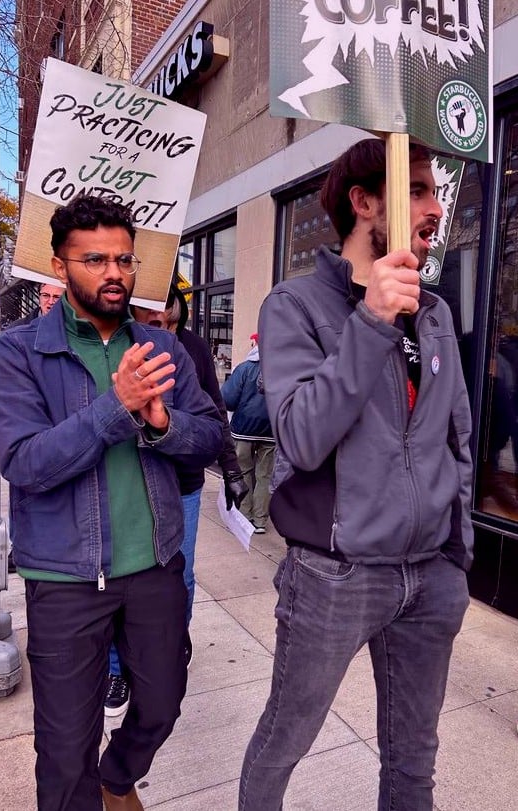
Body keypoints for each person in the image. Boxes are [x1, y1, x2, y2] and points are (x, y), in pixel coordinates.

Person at [238, 138, 473, 811]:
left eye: (435, 191)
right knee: (286, 738)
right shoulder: (294, 307)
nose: (435, 206)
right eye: (420, 190)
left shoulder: (434, 314)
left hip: (429, 573)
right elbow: (302, 437)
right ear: (364, 201)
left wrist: (457, 556)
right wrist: (370, 319)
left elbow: (457, 436)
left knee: (414, 757)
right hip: (333, 575)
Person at [0, 194, 223, 811]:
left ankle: (117, 778)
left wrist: (162, 422)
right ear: (60, 267)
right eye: (95, 259)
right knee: (65, 751)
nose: (115, 272)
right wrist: (113, 410)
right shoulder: (17, 354)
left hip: (154, 568)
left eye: (124, 259)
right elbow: (26, 464)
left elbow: (211, 437)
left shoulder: (161, 348)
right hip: (65, 578)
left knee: (162, 703)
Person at [103, 285, 248, 716]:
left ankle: (172, 640)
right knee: (117, 579)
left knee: (178, 577)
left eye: (166, 309)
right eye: (147, 306)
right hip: (130, 479)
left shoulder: (191, 349)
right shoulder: (116, 346)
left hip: (182, 483)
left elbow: (214, 413)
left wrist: (232, 470)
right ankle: (115, 667)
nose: (157, 314)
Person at [6, 282, 65, 574]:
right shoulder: (17, 335)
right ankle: (19, 547)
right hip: (29, 427)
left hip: (60, 427)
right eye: (46, 295)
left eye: (57, 296)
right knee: (23, 488)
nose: (50, 301)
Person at [221, 336, 275, 534]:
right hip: (271, 431)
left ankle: (244, 516)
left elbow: (228, 398)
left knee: (243, 471)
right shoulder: (281, 368)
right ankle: (260, 521)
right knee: (265, 475)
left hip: (243, 429)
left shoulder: (244, 368)